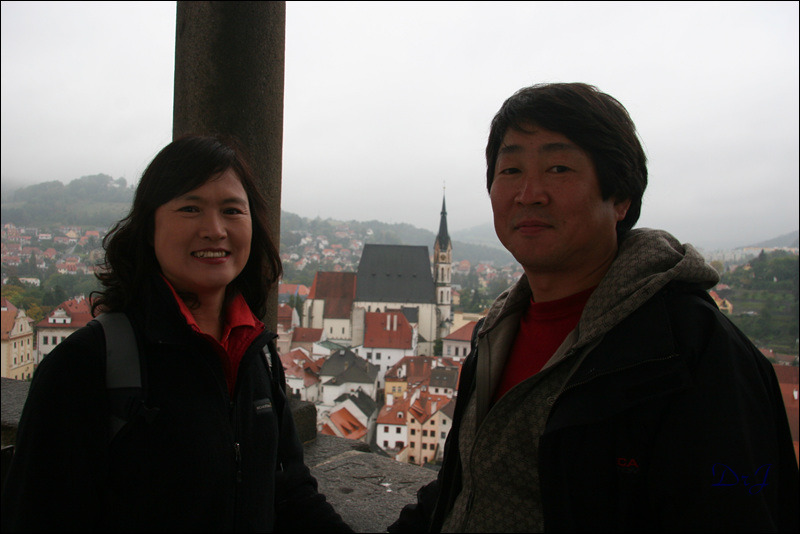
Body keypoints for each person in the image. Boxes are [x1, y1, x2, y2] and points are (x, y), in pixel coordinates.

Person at [388, 83, 799, 532]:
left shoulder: (694, 353)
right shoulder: (494, 334)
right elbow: (465, 488)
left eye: (558, 168)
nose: (529, 193)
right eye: (510, 170)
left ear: (620, 198)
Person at [1, 135, 353, 532]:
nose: (215, 230)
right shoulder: (84, 365)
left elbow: (288, 494)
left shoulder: (256, 354)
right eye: (190, 208)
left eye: (232, 210)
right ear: (149, 226)